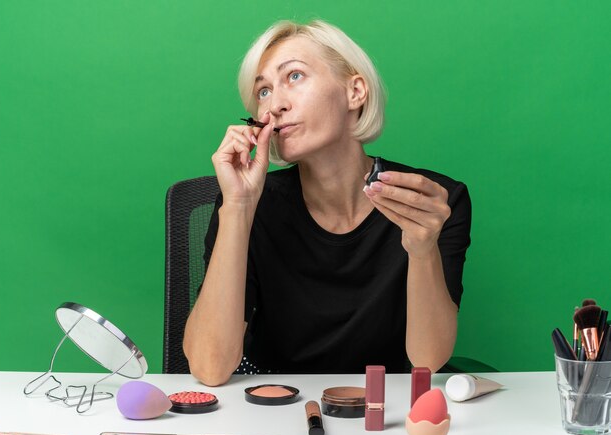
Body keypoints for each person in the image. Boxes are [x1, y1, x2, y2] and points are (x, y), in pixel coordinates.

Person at [183, 20, 471, 386]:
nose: (276, 106)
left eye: (295, 77)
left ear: (355, 92)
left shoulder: (430, 204)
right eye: (264, 91)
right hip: (270, 401)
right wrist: (238, 208)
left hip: (384, 406)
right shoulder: (249, 202)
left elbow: (427, 360)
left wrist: (422, 248)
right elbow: (209, 367)